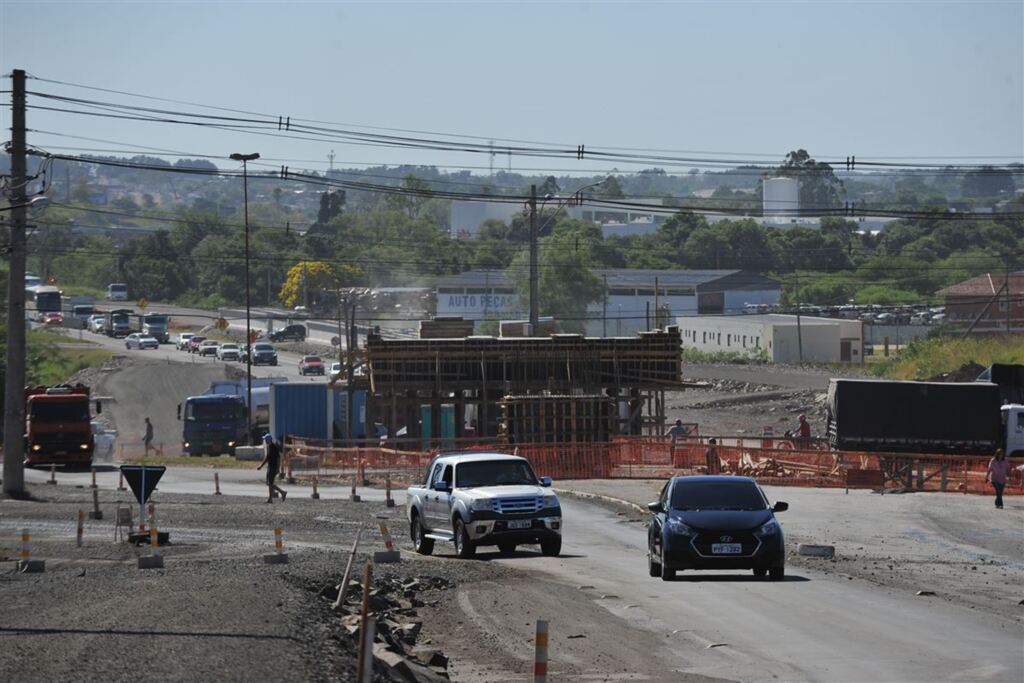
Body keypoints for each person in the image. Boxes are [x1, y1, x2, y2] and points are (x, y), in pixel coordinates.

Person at [257, 434, 287, 504]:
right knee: (269, 483)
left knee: (270, 483)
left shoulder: (274, 447)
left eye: (265, 440)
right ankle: (270, 499)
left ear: (268, 440)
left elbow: (278, 458)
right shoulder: (269, 447)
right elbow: (267, 458)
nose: (264, 441)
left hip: (273, 467)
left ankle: (283, 492)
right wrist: (261, 466)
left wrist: (278, 468)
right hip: (270, 467)